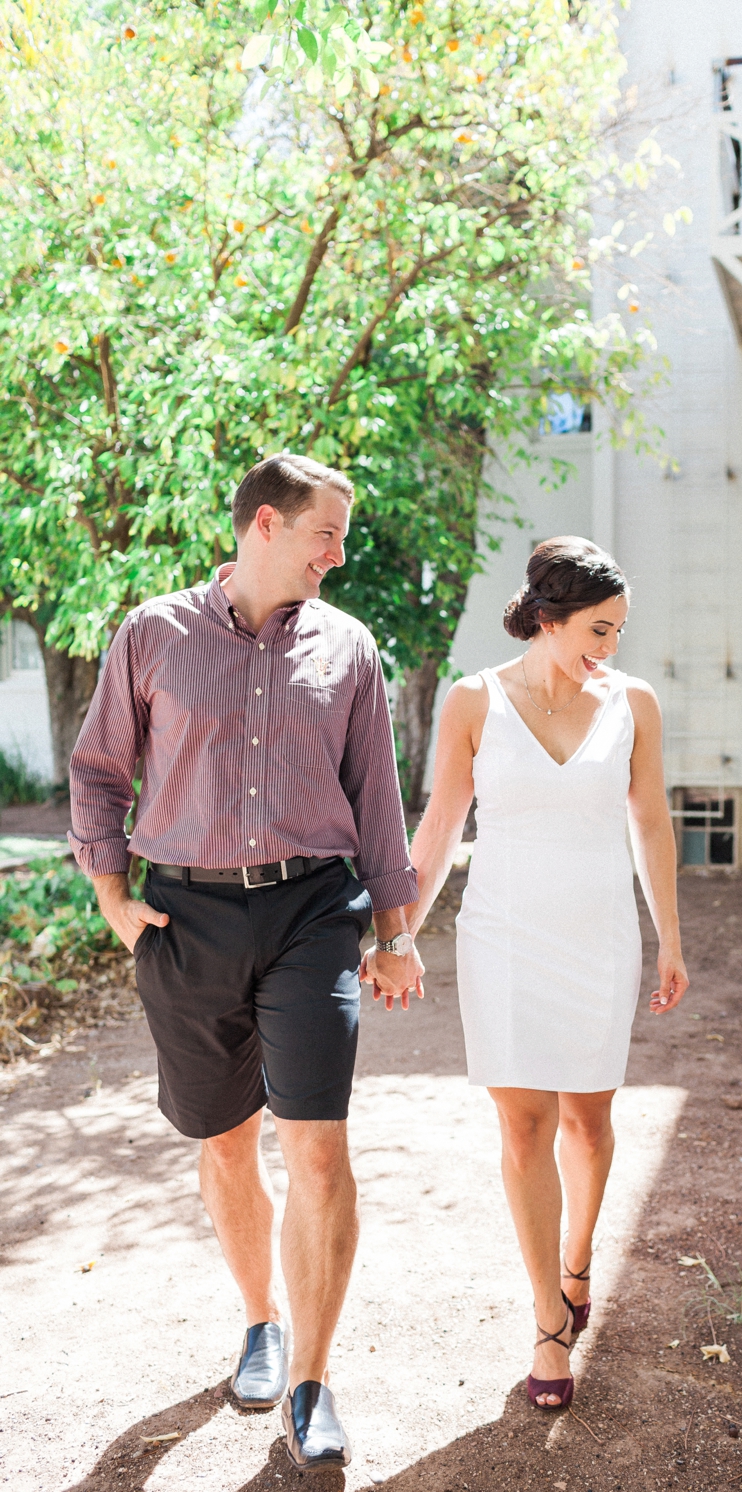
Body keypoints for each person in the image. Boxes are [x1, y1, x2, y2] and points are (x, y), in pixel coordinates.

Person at [69, 454, 423, 1471]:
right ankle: (261, 1320)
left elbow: (376, 800)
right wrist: (113, 899)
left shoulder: (347, 646)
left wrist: (394, 934)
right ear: (263, 524)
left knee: (316, 1147)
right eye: (327, 534)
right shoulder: (153, 631)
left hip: (315, 911)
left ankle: (311, 1380)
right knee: (224, 1143)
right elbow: (100, 769)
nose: (339, 554)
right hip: (184, 919)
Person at [403, 537, 689, 1410]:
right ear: (547, 616)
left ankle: (576, 1259)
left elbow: (650, 827)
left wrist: (670, 940)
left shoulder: (633, 703)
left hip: (599, 937)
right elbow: (441, 825)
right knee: (522, 1130)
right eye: (598, 628)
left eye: (620, 630)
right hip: (503, 938)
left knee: (589, 1124)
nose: (610, 646)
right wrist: (398, 932)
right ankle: (545, 1320)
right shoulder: (472, 701)